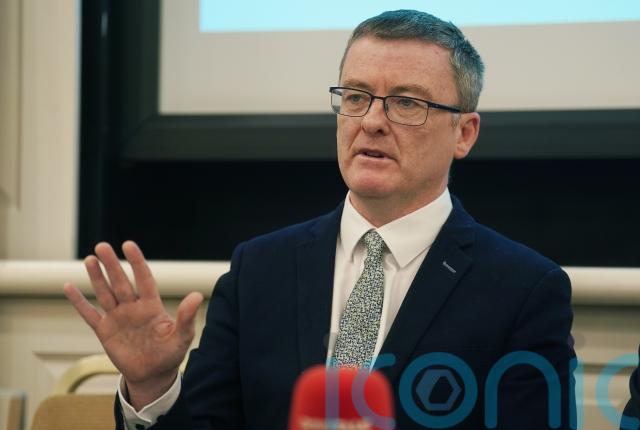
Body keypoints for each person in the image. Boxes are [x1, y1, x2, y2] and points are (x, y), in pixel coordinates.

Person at [64, 10, 575, 429]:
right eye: (355, 97)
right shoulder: (259, 268)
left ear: (464, 133)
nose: (371, 121)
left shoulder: (524, 290)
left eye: (405, 102)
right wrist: (153, 386)